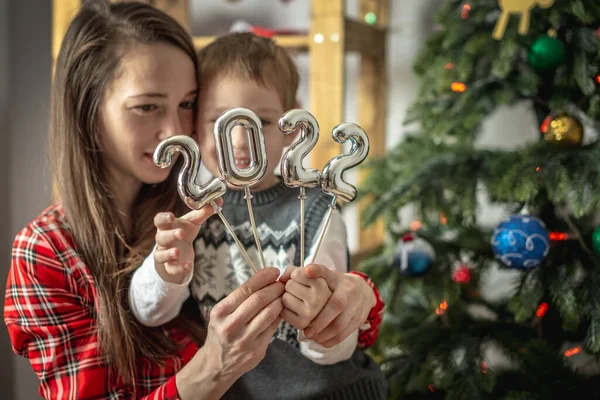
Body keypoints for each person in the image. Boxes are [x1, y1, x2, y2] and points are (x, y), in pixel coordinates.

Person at [4, 3, 287, 399]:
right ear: (88, 110)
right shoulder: (46, 253)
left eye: (187, 104)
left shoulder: (208, 204)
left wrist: (354, 297)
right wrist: (213, 368)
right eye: (147, 107)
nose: (174, 130)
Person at [129, 32, 387, 398]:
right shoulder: (190, 211)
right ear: (195, 130)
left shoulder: (316, 209)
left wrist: (319, 320)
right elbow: (149, 313)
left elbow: (337, 345)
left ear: (291, 128)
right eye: (220, 121)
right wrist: (166, 271)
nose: (239, 141)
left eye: (262, 123)